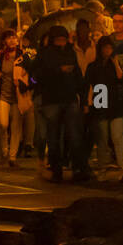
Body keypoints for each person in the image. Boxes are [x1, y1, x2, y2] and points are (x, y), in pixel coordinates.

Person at [30, 25, 85, 182]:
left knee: (74, 135)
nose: (61, 43)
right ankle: (56, 169)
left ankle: (78, 168)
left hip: (69, 98)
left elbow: (78, 75)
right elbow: (36, 75)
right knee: (53, 136)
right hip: (51, 99)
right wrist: (58, 70)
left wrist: (81, 95)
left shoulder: (70, 52)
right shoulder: (44, 54)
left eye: (63, 39)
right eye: (58, 40)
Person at [83, 36, 123, 181]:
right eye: (105, 48)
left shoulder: (113, 64)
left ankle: (121, 167)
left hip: (115, 102)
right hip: (100, 100)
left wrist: (115, 62)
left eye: (110, 48)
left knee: (117, 136)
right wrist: (86, 104)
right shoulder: (93, 66)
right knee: (102, 136)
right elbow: (88, 86)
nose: (107, 51)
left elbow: (121, 78)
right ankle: (103, 167)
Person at [0, 30, 24, 168]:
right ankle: (4, 150)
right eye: (9, 38)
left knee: (16, 127)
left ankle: (12, 156)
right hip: (3, 95)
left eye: (14, 38)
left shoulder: (23, 55)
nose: (12, 40)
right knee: (2, 124)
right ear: (4, 41)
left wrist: (22, 82)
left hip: (18, 96)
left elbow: (31, 75)